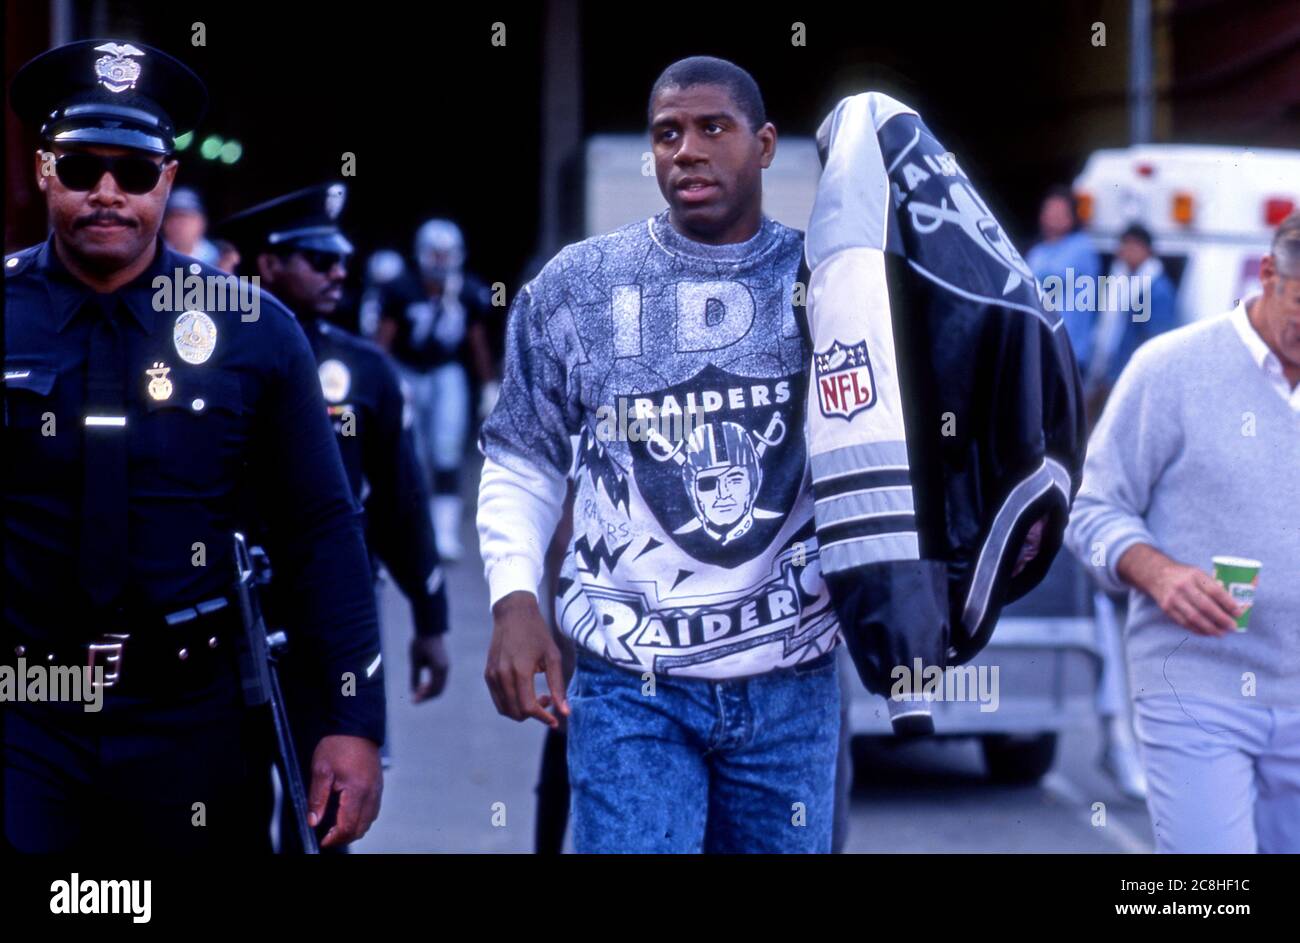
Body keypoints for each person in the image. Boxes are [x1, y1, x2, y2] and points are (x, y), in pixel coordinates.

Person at [3, 39, 384, 852]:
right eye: (80, 169)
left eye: (135, 173)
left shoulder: (255, 331)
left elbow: (322, 530)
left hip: (192, 716)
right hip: (23, 710)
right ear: (44, 172)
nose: (107, 194)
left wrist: (352, 721)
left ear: (167, 180)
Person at [478, 56, 845, 853]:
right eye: (668, 133)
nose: (686, 150)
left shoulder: (831, 284)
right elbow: (522, 457)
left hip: (793, 678)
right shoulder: (579, 284)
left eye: (714, 127)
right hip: (629, 681)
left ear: (766, 143)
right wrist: (514, 599)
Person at [1065, 211, 1300, 852]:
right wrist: (1159, 573)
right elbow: (1092, 511)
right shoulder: (1172, 369)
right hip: (1196, 687)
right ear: (1271, 275)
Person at [215, 184, 451, 746]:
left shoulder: (366, 370)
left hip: (329, 610)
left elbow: (400, 499)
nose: (339, 273)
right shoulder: (206, 356)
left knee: (328, 812)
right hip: (225, 610)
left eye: (343, 260)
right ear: (268, 263)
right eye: (320, 260)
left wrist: (431, 616)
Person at [377, 220, 497, 560]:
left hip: (446, 372)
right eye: (435, 253)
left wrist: (488, 385)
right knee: (410, 454)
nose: (442, 261)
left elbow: (477, 343)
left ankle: (443, 533)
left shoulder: (469, 290)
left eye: (447, 254)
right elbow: (382, 343)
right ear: (421, 253)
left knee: (446, 450)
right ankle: (415, 530)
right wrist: (382, 382)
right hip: (406, 371)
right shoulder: (401, 288)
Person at [1085, 222, 1180, 414]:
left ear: (1146, 250)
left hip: (1134, 378)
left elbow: (1156, 339)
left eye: (1133, 246)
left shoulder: (1157, 290)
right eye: (1124, 245)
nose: (1127, 251)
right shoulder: (1119, 281)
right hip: (1111, 373)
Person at [1026, 185, 1103, 374]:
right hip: (1041, 349)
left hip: (1070, 352)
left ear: (1072, 217)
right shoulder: (1037, 251)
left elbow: (1050, 278)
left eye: (1060, 212)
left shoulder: (1082, 248)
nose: (1053, 217)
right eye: (1049, 211)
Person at [162, 184, 219, 266]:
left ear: (201, 222)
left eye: (187, 218)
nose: (180, 226)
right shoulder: (152, 256)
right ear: (164, 223)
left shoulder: (218, 258)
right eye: (174, 218)